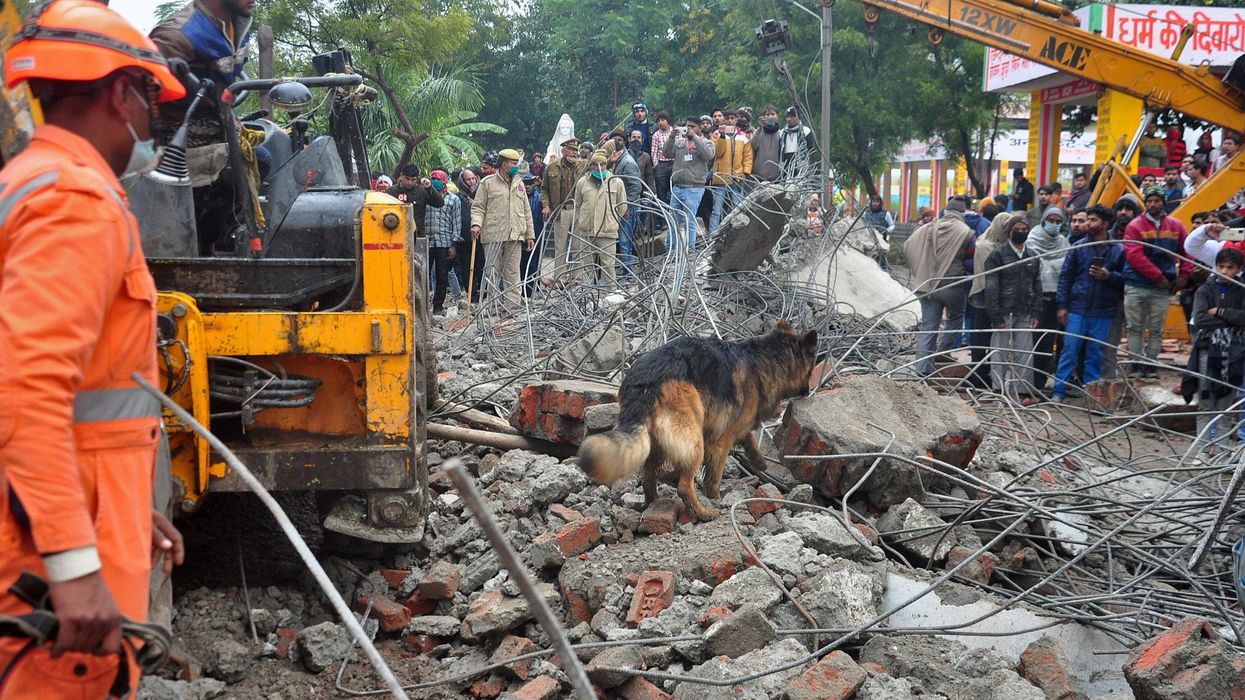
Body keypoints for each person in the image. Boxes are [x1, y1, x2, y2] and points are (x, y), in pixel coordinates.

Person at [0, 2, 187, 694]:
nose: (150, 122)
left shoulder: (33, 182)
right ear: (118, 92)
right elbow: (26, 388)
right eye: (147, 99)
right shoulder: (74, 203)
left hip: (53, 520)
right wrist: (76, 564)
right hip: (39, 562)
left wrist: (127, 508)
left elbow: (83, 403)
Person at [1053, 205, 1124, 401]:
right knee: (1069, 351)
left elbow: (1125, 280)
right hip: (1078, 307)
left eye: (1093, 220)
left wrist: (1109, 276)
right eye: (1088, 220)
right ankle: (1058, 391)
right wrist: (1062, 306)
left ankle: (1091, 394)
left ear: (1106, 224)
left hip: (1104, 310)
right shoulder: (1078, 248)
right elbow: (1065, 278)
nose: (1089, 224)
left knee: (1095, 354)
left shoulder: (1118, 249)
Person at [1123, 186, 1192, 379]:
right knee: (1134, 327)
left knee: (1156, 328)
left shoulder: (1176, 226)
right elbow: (1134, 255)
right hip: (1137, 284)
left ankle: (1151, 364)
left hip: (1162, 287)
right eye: (1150, 201)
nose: (1153, 204)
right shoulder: (1135, 226)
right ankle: (1135, 364)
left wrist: (1184, 275)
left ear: (1163, 202)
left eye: (1157, 201)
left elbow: (1187, 252)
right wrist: (1158, 276)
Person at [1183, 247, 1245, 457]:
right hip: (1207, 352)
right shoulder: (1205, 290)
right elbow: (1200, 319)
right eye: (1221, 267)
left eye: (1230, 268)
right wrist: (1230, 319)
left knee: (1225, 406)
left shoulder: (1241, 290)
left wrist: (1219, 311)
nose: (1225, 271)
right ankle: (1201, 453)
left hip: (1234, 353)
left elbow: (1243, 318)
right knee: (1206, 402)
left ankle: (1221, 453)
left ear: (1238, 269)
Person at [904, 197, 975, 376]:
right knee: (956, 317)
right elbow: (971, 259)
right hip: (953, 285)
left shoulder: (930, 227)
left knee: (928, 327)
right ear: (962, 213)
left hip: (928, 286)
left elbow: (908, 246)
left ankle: (921, 371)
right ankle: (941, 354)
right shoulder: (966, 232)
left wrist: (919, 270)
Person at [984, 217, 1042, 397]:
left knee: (1024, 352)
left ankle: (1022, 390)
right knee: (999, 351)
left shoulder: (1032, 256)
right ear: (1009, 231)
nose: (1022, 231)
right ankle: (998, 388)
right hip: (1004, 311)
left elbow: (1037, 286)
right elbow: (991, 288)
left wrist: (1036, 312)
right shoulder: (997, 255)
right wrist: (996, 317)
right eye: (1018, 228)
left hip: (1025, 310)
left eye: (1025, 228)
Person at [471, 148, 535, 308]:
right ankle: (493, 306)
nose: (516, 167)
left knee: (513, 273)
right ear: (504, 164)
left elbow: (526, 210)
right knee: (492, 271)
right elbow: (478, 207)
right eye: (514, 164)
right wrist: (476, 224)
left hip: (515, 234)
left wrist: (530, 235)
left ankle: (512, 306)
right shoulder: (487, 183)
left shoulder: (519, 183)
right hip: (493, 234)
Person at [967, 213, 1021, 388]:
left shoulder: (1006, 246)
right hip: (982, 298)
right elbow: (989, 278)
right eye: (1006, 228)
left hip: (999, 300)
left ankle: (991, 377)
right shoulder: (985, 246)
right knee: (980, 341)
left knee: (995, 342)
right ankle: (979, 379)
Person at [1027, 206, 1071, 391]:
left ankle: (1040, 383)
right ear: (1043, 220)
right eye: (1050, 220)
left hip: (1057, 299)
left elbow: (1067, 271)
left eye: (1057, 221)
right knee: (1032, 343)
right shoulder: (1031, 241)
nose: (1054, 224)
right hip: (1036, 300)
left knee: (1049, 343)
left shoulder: (1064, 243)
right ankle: (1028, 383)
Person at [571, 150, 628, 288]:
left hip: (607, 232)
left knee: (608, 265)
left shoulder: (616, 182)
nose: (599, 167)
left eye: (602, 164)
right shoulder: (582, 183)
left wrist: (612, 222)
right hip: (587, 231)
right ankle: (587, 294)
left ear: (606, 164)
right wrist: (583, 222)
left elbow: (622, 207)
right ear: (591, 166)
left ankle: (609, 294)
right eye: (596, 165)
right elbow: (577, 205)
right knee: (587, 264)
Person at [664, 116, 714, 251]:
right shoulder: (680, 142)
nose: (689, 129)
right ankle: (670, 250)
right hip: (678, 187)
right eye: (687, 126)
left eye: (692, 127)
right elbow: (666, 153)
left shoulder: (706, 142)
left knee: (690, 221)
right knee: (673, 220)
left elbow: (709, 155)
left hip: (694, 188)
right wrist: (671, 138)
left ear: (699, 128)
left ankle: (690, 250)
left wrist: (695, 138)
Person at [540, 138, 583, 284]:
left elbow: (600, 163)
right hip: (561, 210)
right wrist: (546, 205)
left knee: (578, 245)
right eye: (571, 149)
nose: (574, 153)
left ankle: (578, 279)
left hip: (579, 210)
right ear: (563, 150)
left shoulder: (582, 166)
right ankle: (560, 279)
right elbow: (544, 188)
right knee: (561, 246)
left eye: (576, 150)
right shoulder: (552, 168)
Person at [710, 109, 753, 234]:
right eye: (727, 118)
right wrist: (723, 136)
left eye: (732, 118)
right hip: (721, 177)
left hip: (737, 178)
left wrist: (745, 173)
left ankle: (737, 235)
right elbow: (717, 153)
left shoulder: (743, 136)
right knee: (716, 210)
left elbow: (748, 156)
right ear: (724, 120)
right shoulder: (716, 135)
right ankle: (713, 235)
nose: (729, 120)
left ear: (736, 120)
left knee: (738, 209)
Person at [425, 170, 461, 315]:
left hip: (444, 242)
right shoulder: (425, 197)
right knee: (423, 275)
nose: (435, 182)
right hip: (426, 241)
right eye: (433, 179)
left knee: (442, 275)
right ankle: (423, 305)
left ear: (445, 181)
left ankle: (438, 307)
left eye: (438, 179)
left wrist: (454, 244)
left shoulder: (453, 199)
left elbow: (456, 223)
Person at [607, 140, 642, 281]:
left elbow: (636, 187)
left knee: (624, 241)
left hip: (627, 208)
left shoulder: (628, 163)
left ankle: (628, 274)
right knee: (622, 241)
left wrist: (627, 206)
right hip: (622, 206)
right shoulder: (621, 161)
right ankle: (625, 271)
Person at [390, 163, 444, 237]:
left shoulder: (422, 191)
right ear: (401, 175)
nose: (409, 182)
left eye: (413, 180)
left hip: (417, 234)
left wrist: (429, 187)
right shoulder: (392, 191)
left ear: (417, 178)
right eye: (407, 179)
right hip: (395, 232)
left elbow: (440, 203)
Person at [520, 173, 544, 298]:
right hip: (521, 236)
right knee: (521, 264)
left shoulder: (539, 198)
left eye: (530, 183)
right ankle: (523, 291)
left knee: (534, 264)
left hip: (537, 234)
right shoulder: (518, 197)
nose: (528, 186)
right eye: (525, 183)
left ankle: (533, 290)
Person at [750, 105, 783, 183]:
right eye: (768, 114)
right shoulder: (759, 132)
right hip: (759, 176)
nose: (770, 116)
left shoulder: (781, 133)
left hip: (777, 177)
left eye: (773, 114)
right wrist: (759, 128)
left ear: (777, 117)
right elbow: (752, 145)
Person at [650, 111, 675, 204]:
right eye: (658, 121)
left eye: (663, 120)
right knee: (661, 190)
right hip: (662, 164)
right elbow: (654, 152)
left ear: (668, 121)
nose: (660, 122)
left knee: (674, 188)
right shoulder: (656, 135)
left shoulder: (675, 132)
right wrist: (657, 166)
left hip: (674, 163)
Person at [779, 106, 812, 177]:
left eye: (792, 116)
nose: (789, 119)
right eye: (787, 117)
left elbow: (811, 150)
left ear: (798, 117)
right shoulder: (782, 133)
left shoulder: (805, 131)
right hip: (786, 165)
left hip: (801, 165)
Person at [628, 129, 656, 195]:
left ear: (642, 140)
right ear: (629, 139)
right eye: (634, 137)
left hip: (641, 189)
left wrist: (650, 191)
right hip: (627, 189)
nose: (636, 139)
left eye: (638, 137)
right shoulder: (624, 155)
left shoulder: (646, 156)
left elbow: (649, 175)